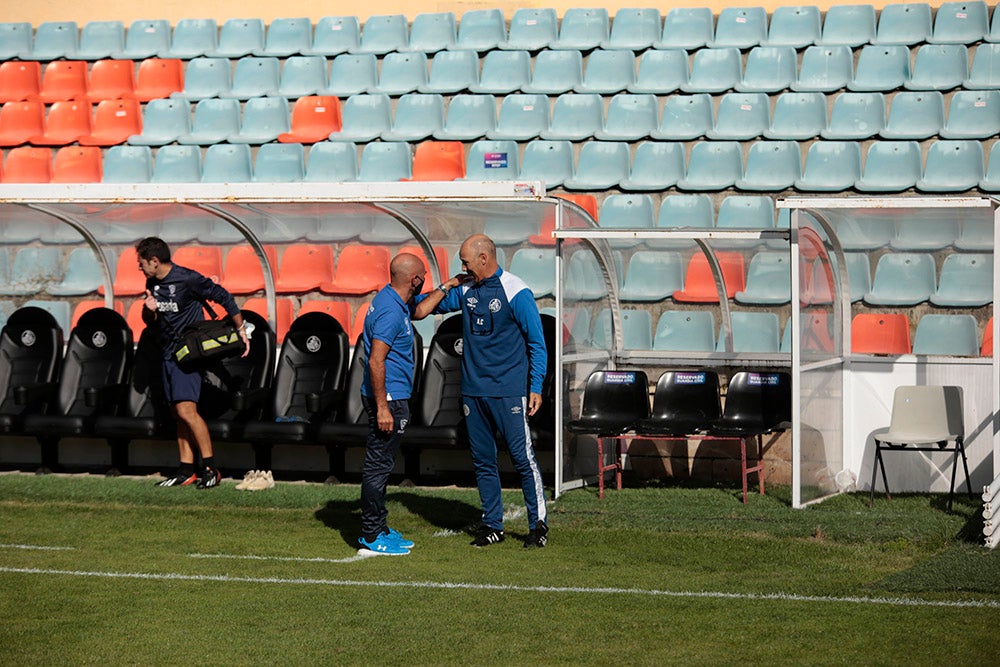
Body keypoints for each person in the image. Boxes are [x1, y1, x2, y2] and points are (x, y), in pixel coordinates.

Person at [433, 234, 549, 548]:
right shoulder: (466, 289)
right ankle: (492, 525)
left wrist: (535, 386)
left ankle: (538, 526)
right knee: (483, 461)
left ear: (484, 258)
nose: (463, 266)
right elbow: (426, 308)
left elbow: (537, 343)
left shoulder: (517, 291)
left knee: (522, 459)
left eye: (466, 261)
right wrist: (446, 285)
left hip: (509, 391)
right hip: (473, 391)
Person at [357, 252, 452, 556]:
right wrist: (383, 406)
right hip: (390, 399)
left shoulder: (393, 301)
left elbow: (421, 310)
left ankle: (379, 526)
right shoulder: (389, 312)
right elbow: (375, 360)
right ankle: (371, 535)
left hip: (392, 397)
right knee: (378, 466)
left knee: (382, 465)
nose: (424, 279)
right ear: (415, 279)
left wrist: (446, 287)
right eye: (423, 275)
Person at [136, 237, 249, 489]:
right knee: (179, 414)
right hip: (165, 354)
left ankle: (210, 468)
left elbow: (223, 296)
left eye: (141, 263)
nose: (140, 268)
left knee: (187, 411)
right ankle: (186, 470)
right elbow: (150, 321)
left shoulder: (187, 279)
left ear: (154, 261)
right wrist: (149, 309)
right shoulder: (151, 283)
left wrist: (241, 329)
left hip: (187, 355)